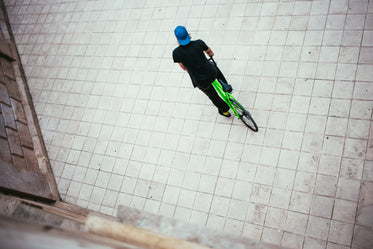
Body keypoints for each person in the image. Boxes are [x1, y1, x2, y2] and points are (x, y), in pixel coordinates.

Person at [172, 26, 231, 117]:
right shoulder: (199, 43)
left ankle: (225, 111)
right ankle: (227, 87)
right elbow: (210, 53)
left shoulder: (176, 53)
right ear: (188, 34)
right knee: (213, 66)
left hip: (201, 81)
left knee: (213, 96)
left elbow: (184, 68)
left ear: (177, 38)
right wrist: (210, 55)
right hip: (211, 72)